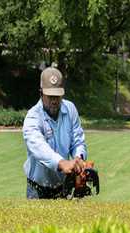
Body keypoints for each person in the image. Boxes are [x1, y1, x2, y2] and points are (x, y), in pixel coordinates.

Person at [23, 67, 88, 199]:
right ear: (41, 93)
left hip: (63, 188)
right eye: (50, 96)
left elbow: (78, 140)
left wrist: (78, 158)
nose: (54, 100)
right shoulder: (33, 117)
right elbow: (39, 147)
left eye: (57, 96)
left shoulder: (70, 109)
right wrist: (62, 163)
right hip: (37, 190)